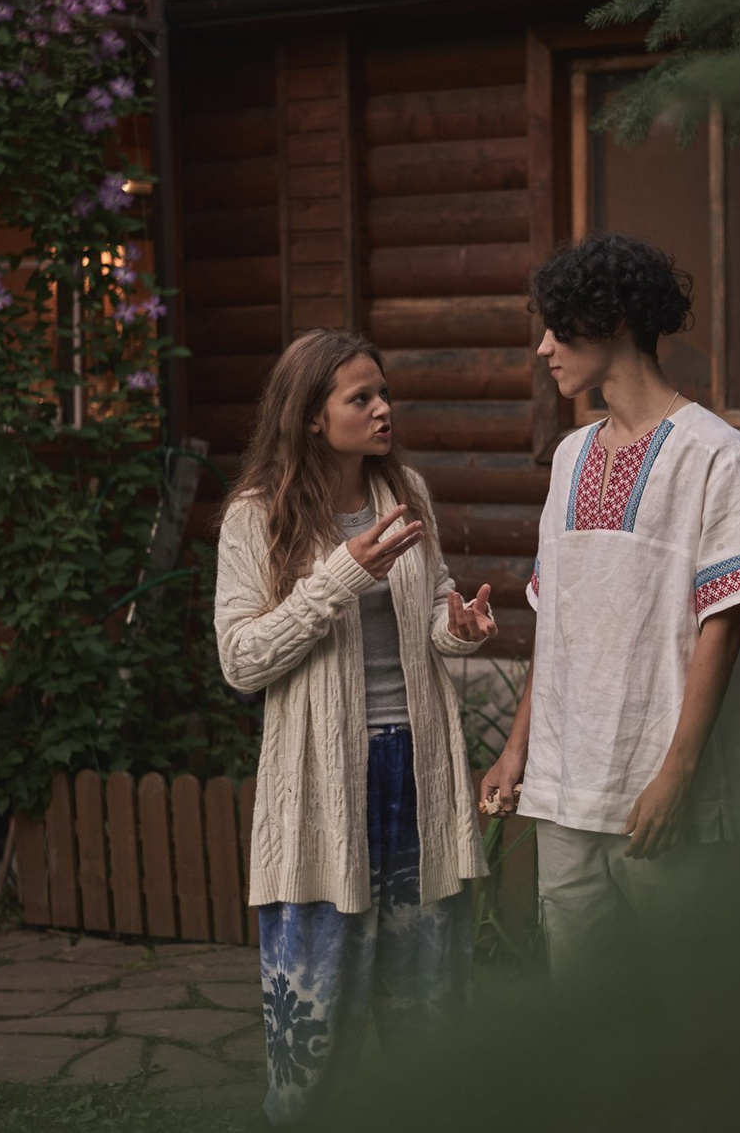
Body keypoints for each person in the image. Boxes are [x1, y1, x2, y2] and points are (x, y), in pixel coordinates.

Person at [480, 233, 740, 992]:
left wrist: (677, 775)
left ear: (612, 320)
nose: (544, 348)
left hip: (660, 794)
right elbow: (558, 620)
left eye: (558, 327)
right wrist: (518, 750)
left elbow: (726, 620)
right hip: (565, 788)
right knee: (586, 1011)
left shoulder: (713, 453)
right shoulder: (570, 456)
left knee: (696, 1008)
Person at [214, 328, 498, 1125]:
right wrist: (342, 574)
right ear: (312, 414)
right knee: (312, 1041)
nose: (383, 409)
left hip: (417, 773)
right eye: (360, 397)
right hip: (320, 785)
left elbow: (432, 601)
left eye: (384, 393)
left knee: (431, 1021)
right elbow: (241, 659)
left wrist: (458, 627)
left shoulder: (404, 491)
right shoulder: (256, 516)